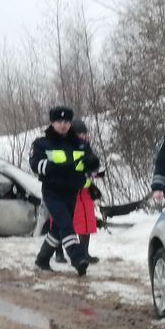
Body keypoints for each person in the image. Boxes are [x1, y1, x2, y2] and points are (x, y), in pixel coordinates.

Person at [29, 106, 100, 276]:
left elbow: (94, 165)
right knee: (66, 224)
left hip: (72, 191)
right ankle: (77, 258)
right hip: (52, 191)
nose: (63, 125)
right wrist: (58, 167)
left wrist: (91, 162)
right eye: (59, 121)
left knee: (58, 228)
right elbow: (35, 165)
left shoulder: (79, 144)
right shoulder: (42, 143)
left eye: (66, 122)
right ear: (52, 123)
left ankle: (42, 259)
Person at [52, 118, 101, 264]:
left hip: (83, 191)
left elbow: (94, 165)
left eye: (85, 133)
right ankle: (59, 252)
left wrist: (95, 171)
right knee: (61, 222)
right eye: (81, 134)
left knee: (86, 222)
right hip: (64, 191)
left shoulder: (87, 148)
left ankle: (84, 252)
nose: (85, 136)